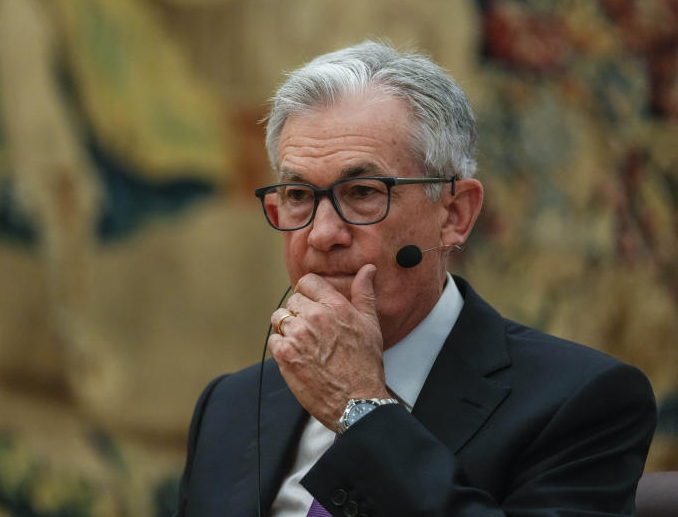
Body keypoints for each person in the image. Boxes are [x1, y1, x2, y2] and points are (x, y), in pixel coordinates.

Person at [174, 41, 657, 516]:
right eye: (299, 195)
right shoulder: (232, 404)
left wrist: (360, 410)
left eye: (362, 191)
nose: (322, 234)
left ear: (453, 215)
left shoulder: (582, 401)